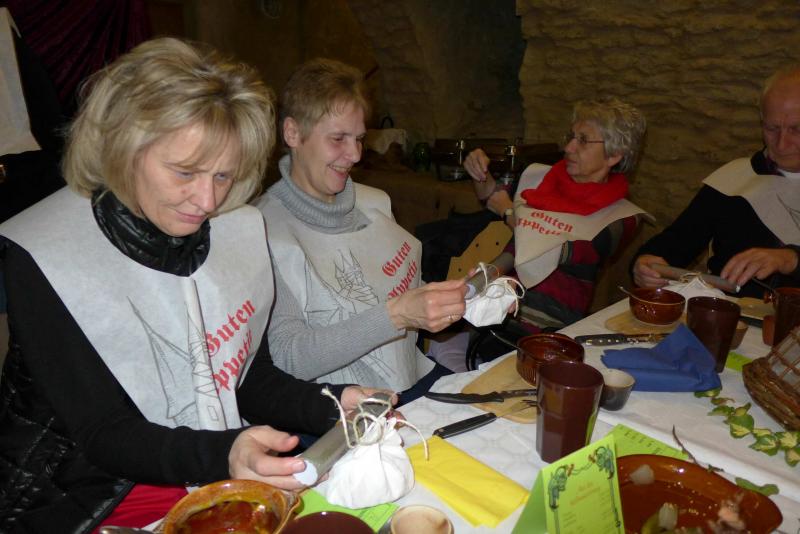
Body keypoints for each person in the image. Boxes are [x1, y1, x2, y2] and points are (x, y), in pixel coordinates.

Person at [0, 38, 390, 533]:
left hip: (203, 463)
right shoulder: (45, 253)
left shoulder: (230, 229)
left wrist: (333, 403)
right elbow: (103, 433)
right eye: (184, 171)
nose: (207, 201)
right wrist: (225, 453)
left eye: (224, 175)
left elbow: (245, 378)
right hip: (85, 498)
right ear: (122, 147)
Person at [255, 58, 467, 400]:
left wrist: (459, 296)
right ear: (292, 133)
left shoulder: (375, 203)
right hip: (339, 404)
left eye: (359, 139)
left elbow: (396, 287)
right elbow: (288, 357)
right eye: (338, 138)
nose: (355, 155)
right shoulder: (262, 229)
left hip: (411, 375)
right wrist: (397, 315)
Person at [464, 98, 646, 330]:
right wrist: (479, 173)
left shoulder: (622, 217)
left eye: (583, 140)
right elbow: (491, 196)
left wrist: (508, 211)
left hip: (549, 326)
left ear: (614, 155)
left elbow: (560, 248)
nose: (569, 148)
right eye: (571, 137)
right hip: (498, 305)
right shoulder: (541, 178)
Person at [632, 66, 800, 297]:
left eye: (796, 130)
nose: (781, 144)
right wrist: (644, 264)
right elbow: (676, 243)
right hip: (732, 314)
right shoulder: (734, 181)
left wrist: (791, 259)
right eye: (772, 128)